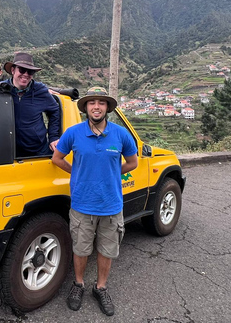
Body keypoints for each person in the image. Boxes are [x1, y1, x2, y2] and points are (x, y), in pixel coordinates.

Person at [51, 86, 138, 317]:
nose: (96, 106)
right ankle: (78, 284)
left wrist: (111, 173)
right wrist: (75, 171)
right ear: (86, 107)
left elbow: (133, 163)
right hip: (82, 204)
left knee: (107, 250)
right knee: (81, 249)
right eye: (92, 102)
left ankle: (100, 288)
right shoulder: (74, 133)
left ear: (107, 107)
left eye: (101, 102)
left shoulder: (121, 134)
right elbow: (57, 158)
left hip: (111, 205)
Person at [3, 52, 60, 157]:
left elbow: (55, 110)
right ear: (13, 70)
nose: (25, 74)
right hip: (10, 151)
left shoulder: (40, 90)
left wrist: (53, 137)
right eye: (22, 70)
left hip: (37, 150)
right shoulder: (2, 90)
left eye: (30, 72)